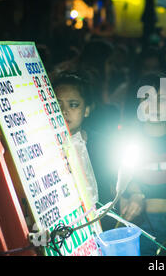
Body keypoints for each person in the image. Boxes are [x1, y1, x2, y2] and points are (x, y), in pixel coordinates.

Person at [118, 73, 166, 256]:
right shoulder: (127, 137)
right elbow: (118, 177)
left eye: (161, 99)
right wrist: (135, 193)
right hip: (137, 224)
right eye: (147, 98)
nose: (153, 106)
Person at [52, 73, 116, 231]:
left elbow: (118, 183)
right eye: (57, 105)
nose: (64, 111)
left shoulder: (103, 144)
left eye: (73, 105)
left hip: (101, 227)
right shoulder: (42, 149)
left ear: (87, 110)